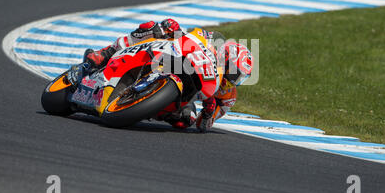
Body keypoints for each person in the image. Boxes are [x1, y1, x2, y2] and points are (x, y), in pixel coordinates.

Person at [66, 18, 253, 132]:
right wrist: (172, 30)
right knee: (154, 29)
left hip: (185, 97)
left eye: (239, 77)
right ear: (224, 56)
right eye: (234, 71)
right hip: (173, 60)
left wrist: (209, 112)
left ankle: (141, 103)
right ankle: (104, 54)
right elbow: (193, 38)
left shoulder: (228, 95)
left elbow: (203, 126)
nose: (233, 78)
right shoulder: (210, 45)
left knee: (184, 122)